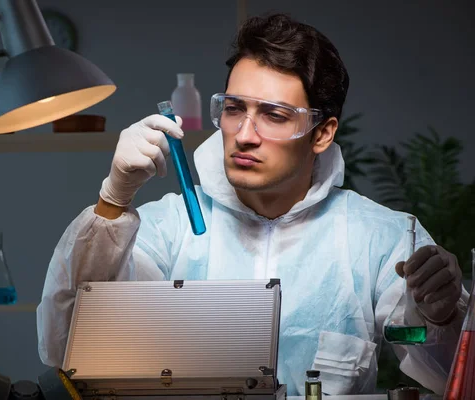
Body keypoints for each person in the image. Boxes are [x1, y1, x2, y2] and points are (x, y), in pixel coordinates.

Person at [36, 13, 469, 396]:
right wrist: (112, 201)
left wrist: (444, 317)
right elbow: (64, 350)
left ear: (322, 133)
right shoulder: (167, 229)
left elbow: (457, 379)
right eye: (233, 108)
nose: (244, 134)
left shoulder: (380, 239)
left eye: (274, 115)